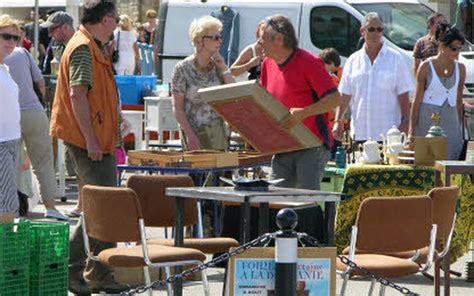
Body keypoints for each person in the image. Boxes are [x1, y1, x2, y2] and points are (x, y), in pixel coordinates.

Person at [49, 0, 127, 293]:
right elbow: (77, 95)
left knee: (102, 209)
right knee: (101, 210)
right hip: (89, 142)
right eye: (116, 20)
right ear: (106, 19)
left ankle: (98, 273)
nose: (118, 25)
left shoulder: (89, 45)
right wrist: (92, 140)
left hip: (94, 140)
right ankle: (72, 271)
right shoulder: (84, 47)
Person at [259, 15, 340, 190]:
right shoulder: (267, 64)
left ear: (279, 39)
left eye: (263, 38)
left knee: (305, 202)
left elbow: (334, 98)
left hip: (311, 146)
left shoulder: (310, 62)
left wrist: (304, 112)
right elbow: (264, 102)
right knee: (277, 201)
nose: (259, 43)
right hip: (282, 146)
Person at [171, 16, 234, 237]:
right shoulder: (182, 69)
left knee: (220, 191)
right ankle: (192, 241)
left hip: (218, 136)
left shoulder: (218, 67)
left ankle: (218, 241)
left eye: (220, 37)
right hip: (194, 136)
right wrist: (190, 135)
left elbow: (234, 95)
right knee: (196, 191)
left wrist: (224, 68)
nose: (219, 41)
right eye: (214, 37)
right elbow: (178, 108)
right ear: (200, 41)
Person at [5, 46, 69, 221]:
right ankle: (51, 207)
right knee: (43, 163)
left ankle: (11, 210)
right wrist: (36, 101)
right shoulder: (22, 52)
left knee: (10, 165)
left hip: (8, 116)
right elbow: (40, 82)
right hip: (33, 112)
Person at [333, 12, 414, 144]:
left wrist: (405, 122)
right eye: (371, 29)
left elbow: (404, 94)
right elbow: (344, 95)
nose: (375, 33)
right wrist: (337, 121)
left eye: (379, 30)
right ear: (362, 31)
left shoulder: (395, 58)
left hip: (389, 135)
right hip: (360, 133)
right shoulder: (353, 61)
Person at [409, 24, 466, 160]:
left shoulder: (461, 69)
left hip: (450, 123)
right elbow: (416, 102)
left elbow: (458, 101)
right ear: (442, 46)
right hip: (426, 122)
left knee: (452, 164)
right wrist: (411, 132)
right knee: (427, 163)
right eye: (453, 48)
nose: (457, 52)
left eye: (459, 48)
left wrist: (460, 129)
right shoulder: (425, 66)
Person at [0, 15, 21, 216]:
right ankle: (5, 247)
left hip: (12, 140)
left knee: (7, 200)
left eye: (15, 38)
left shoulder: (5, 68)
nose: (11, 42)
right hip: (1, 142)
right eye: (6, 36)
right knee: (7, 203)